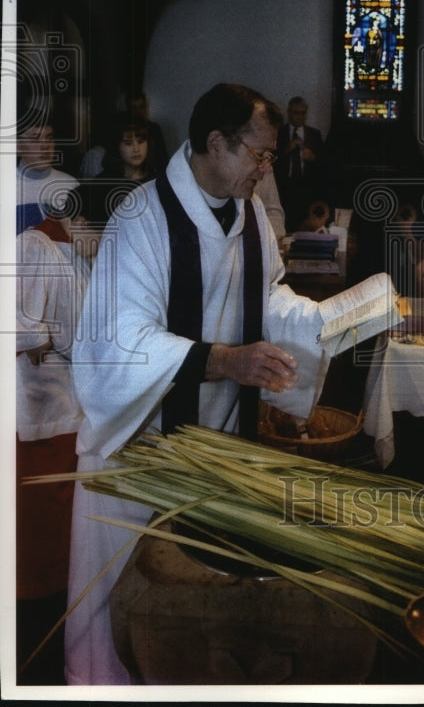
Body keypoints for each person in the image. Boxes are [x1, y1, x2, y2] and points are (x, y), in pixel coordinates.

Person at [65, 83, 329, 685]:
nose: (266, 170)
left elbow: (264, 296)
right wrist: (227, 362)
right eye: (259, 155)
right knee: (123, 615)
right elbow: (117, 342)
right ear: (216, 143)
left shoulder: (253, 211)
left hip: (216, 441)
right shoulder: (140, 218)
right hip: (141, 444)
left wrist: (319, 323)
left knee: (195, 610)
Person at [16, 182, 110, 684]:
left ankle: (56, 618)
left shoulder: (84, 255)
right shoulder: (36, 246)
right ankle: (29, 638)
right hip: (38, 409)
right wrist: (47, 342)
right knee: (36, 527)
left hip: (73, 405)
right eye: (103, 233)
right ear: (80, 222)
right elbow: (19, 331)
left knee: (63, 528)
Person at [16, 119, 78, 234]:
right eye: (35, 139)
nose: (45, 146)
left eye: (49, 138)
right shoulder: (4, 185)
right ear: (18, 146)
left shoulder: (71, 185)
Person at [275, 96, 326, 232]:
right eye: (296, 113)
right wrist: (286, 150)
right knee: (286, 224)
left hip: (307, 187)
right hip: (285, 186)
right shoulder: (279, 133)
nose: (300, 117)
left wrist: (313, 158)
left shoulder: (314, 134)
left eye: (303, 113)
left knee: (305, 225)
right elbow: (271, 160)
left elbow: (325, 163)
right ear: (289, 112)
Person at [125, 90, 169, 172]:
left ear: (145, 107)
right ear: (129, 109)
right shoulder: (123, 131)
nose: (138, 112)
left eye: (141, 107)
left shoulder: (154, 129)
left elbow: (163, 158)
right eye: (134, 108)